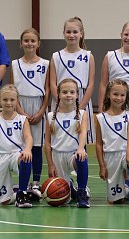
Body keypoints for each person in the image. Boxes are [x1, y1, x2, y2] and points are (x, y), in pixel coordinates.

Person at [9, 28, 50, 199]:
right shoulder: (15, 64)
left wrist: (41, 111)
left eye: (33, 41)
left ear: (38, 44)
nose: (29, 44)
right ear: (21, 43)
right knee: (22, 145)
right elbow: (12, 91)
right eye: (26, 40)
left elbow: (48, 90)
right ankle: (23, 182)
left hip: (38, 105)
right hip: (20, 106)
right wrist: (21, 112)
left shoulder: (46, 64)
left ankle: (36, 181)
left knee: (37, 146)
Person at [96, 79, 129, 206]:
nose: (119, 98)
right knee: (115, 201)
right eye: (115, 94)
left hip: (125, 152)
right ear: (108, 95)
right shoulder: (100, 118)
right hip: (110, 156)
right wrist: (102, 166)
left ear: (126, 96)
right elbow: (99, 144)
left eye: (122, 95)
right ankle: (127, 186)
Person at [44, 78, 90, 208]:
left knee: (82, 158)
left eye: (72, 92)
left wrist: (81, 148)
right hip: (57, 156)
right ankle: (70, 186)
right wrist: (50, 164)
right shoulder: (50, 116)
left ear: (77, 95)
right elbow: (47, 143)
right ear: (58, 94)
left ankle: (82, 192)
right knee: (62, 197)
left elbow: (83, 133)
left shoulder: (82, 114)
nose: (68, 95)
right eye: (64, 92)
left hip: (73, 155)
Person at [50, 17, 95, 144]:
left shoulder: (88, 56)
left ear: (81, 33)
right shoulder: (56, 56)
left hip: (82, 99)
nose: (71, 35)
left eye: (75, 32)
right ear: (63, 33)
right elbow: (52, 83)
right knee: (60, 139)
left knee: (81, 138)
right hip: (61, 100)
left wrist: (80, 108)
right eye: (68, 32)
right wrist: (60, 102)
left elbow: (91, 84)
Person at [0, 84, 33, 208]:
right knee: (4, 202)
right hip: (1, 156)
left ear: (17, 101)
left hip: (16, 155)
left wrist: (27, 149)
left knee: (26, 157)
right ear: (0, 100)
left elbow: (28, 137)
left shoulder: (22, 119)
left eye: (12, 100)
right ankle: (16, 191)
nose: (9, 103)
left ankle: (22, 193)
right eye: (5, 99)